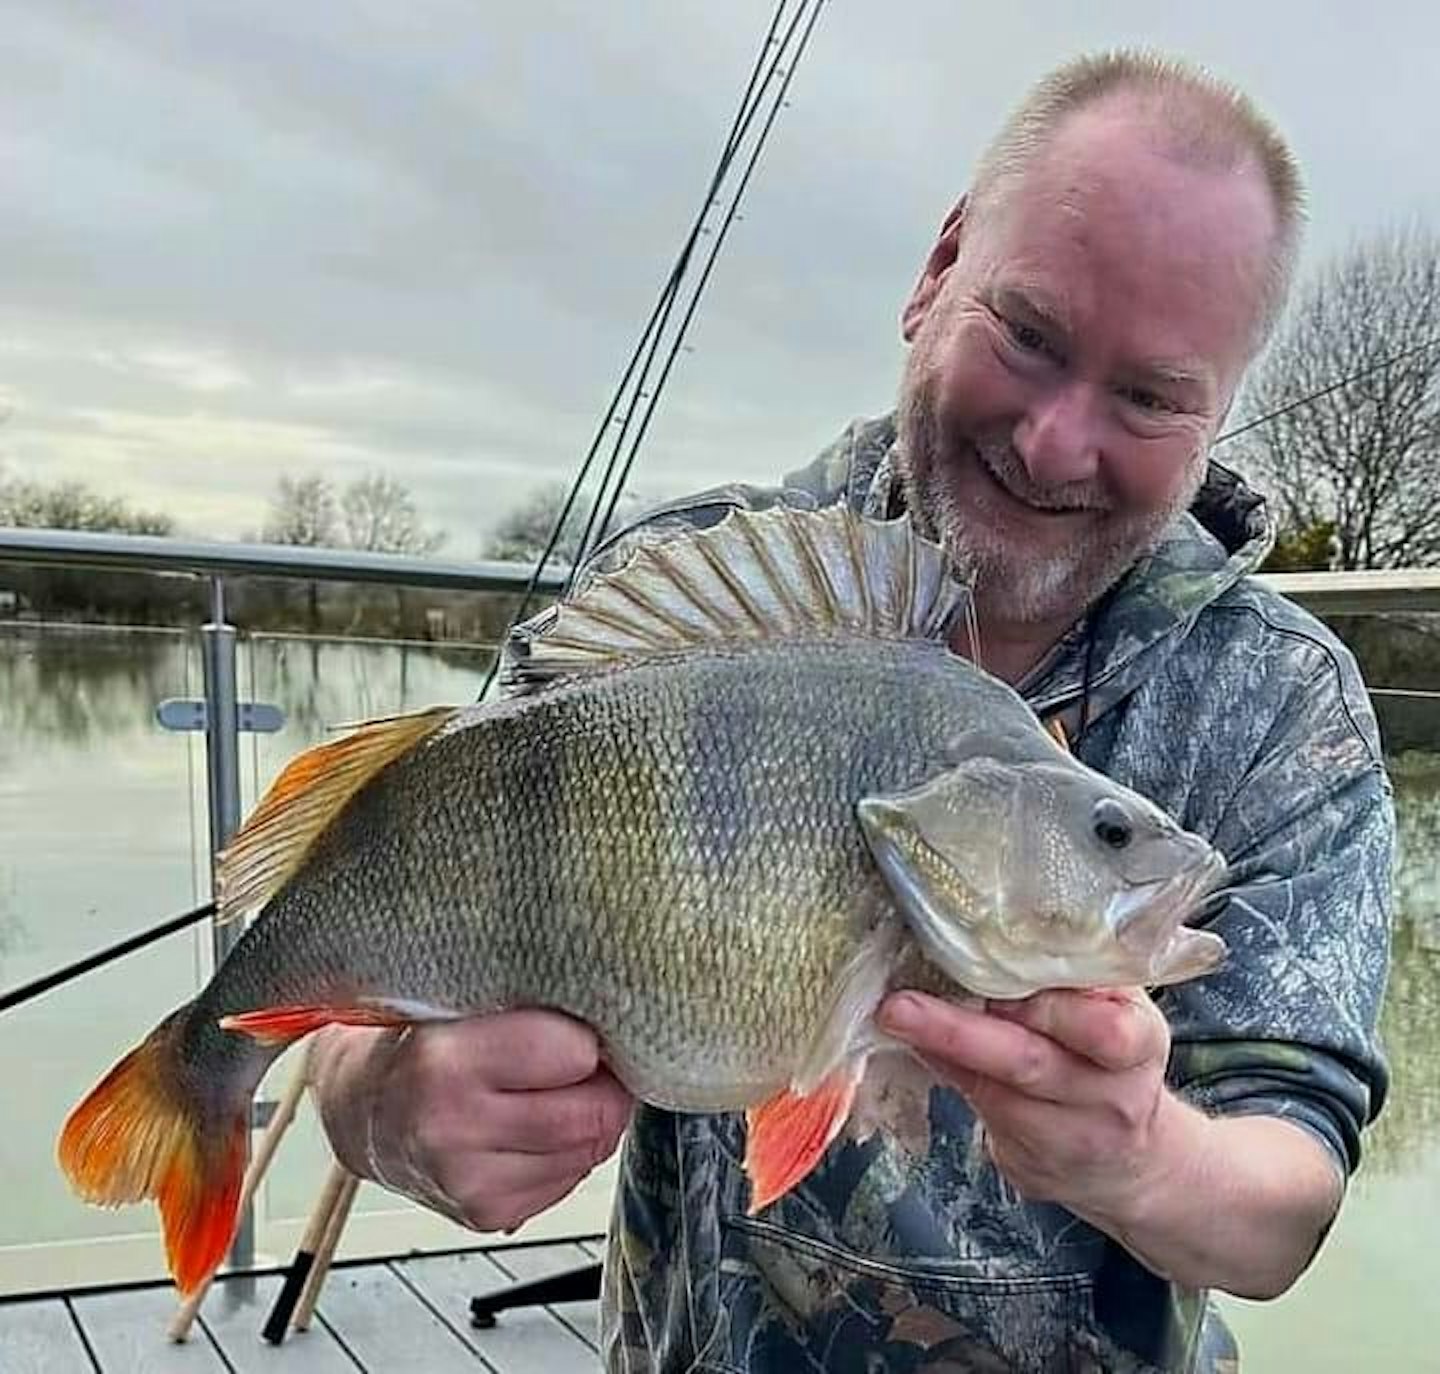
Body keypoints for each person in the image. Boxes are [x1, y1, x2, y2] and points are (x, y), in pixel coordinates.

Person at [307, 48, 1394, 1372]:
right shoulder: (680, 600)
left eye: (1150, 394)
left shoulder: (1283, 705)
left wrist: (1147, 1158)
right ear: (937, 271)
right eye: (1032, 334)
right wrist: (379, 1104)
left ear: (1221, 407)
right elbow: (391, 928)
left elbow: (1287, 1198)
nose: (1054, 441)